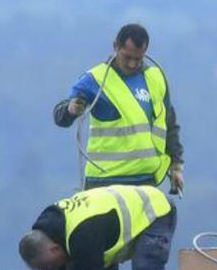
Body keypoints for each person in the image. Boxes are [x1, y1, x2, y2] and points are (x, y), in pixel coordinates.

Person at [54, 23, 185, 191]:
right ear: (115, 46)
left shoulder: (155, 78)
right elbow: (60, 117)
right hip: (104, 182)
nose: (132, 64)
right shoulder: (95, 79)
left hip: (145, 181)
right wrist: (71, 110)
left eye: (138, 59)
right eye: (127, 57)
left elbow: (169, 124)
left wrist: (176, 166)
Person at [19, 185, 176, 270]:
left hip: (154, 210)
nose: (51, 269)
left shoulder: (83, 235)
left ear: (54, 249)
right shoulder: (46, 234)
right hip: (105, 228)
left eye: (49, 266)